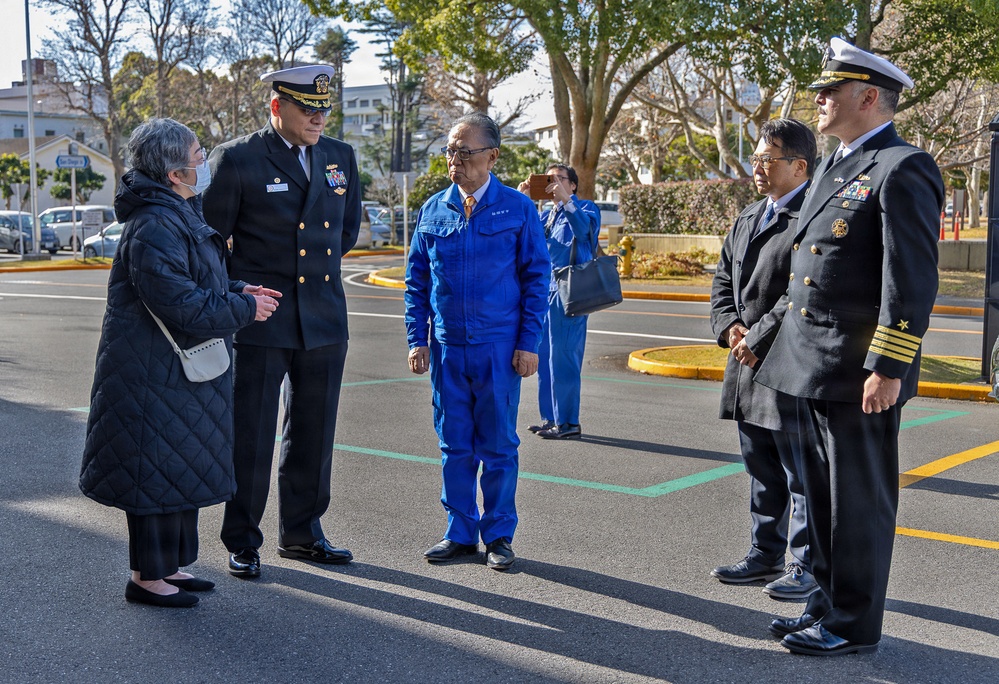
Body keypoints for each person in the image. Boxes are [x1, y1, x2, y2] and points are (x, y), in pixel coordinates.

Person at [755, 38, 943, 655]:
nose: (819, 99)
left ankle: (851, 623)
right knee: (822, 499)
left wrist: (888, 365)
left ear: (867, 96)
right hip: (810, 363)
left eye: (830, 91)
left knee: (856, 503)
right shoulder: (837, 165)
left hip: (857, 370)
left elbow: (908, 278)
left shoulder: (901, 165)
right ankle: (825, 602)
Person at [79, 118, 281, 608]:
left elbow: (198, 282)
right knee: (154, 473)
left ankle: (169, 567)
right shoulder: (154, 223)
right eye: (197, 153)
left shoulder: (175, 211)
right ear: (174, 173)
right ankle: (146, 577)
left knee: (177, 467)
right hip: (152, 377)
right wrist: (244, 309)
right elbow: (180, 304)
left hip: (174, 373)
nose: (203, 160)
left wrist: (238, 289)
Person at [202, 64, 362, 578]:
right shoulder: (238, 159)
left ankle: (303, 533)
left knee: (314, 433)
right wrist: (238, 293)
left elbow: (348, 231)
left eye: (324, 109)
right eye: (308, 109)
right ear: (278, 107)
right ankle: (243, 539)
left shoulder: (340, 156)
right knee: (251, 433)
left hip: (323, 316)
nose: (318, 118)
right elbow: (209, 244)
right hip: (262, 317)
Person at [404, 112, 550, 571]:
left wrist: (529, 343)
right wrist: (417, 338)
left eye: (465, 151)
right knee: (454, 444)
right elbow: (416, 282)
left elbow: (536, 278)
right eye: (450, 150)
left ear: (492, 155)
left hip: (499, 347)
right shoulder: (433, 209)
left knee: (499, 446)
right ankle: (460, 532)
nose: (455, 160)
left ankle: (499, 535)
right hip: (448, 347)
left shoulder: (517, 208)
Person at [709, 118, 818, 601]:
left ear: (799, 166)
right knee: (760, 466)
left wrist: (759, 332)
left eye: (767, 159)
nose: (757, 166)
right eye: (755, 158)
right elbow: (720, 282)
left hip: (785, 362)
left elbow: (802, 291)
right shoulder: (750, 215)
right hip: (745, 361)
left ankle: (805, 564)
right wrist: (728, 324)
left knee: (799, 472)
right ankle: (764, 551)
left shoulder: (811, 217)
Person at [517, 165, 600, 440]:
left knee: (564, 359)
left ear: (573, 185)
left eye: (558, 179)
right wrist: (524, 201)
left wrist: (566, 200)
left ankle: (568, 422)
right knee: (545, 358)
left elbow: (586, 233)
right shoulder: (544, 214)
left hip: (570, 292)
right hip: (545, 293)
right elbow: (524, 239)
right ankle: (550, 418)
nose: (552, 184)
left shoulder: (586, 208)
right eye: (548, 180)